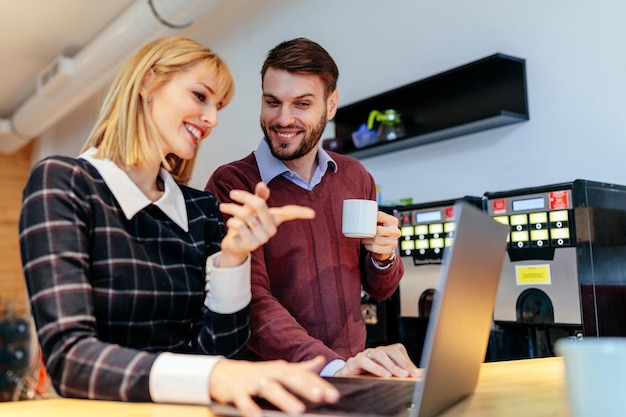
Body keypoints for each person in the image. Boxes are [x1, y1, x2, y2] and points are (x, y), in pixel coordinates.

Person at [18, 36, 339, 417]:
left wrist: (233, 260)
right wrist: (213, 376)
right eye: (200, 97)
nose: (213, 119)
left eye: (217, 106)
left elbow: (220, 352)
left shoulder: (201, 209)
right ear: (148, 84)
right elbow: (70, 358)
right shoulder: (65, 182)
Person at [205, 37, 420, 378]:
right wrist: (333, 366)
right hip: (274, 386)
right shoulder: (233, 184)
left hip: (353, 376)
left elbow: (380, 289)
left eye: (301, 104)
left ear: (331, 105)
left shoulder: (354, 176)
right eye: (272, 102)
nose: (283, 119)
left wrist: (384, 257)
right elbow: (250, 302)